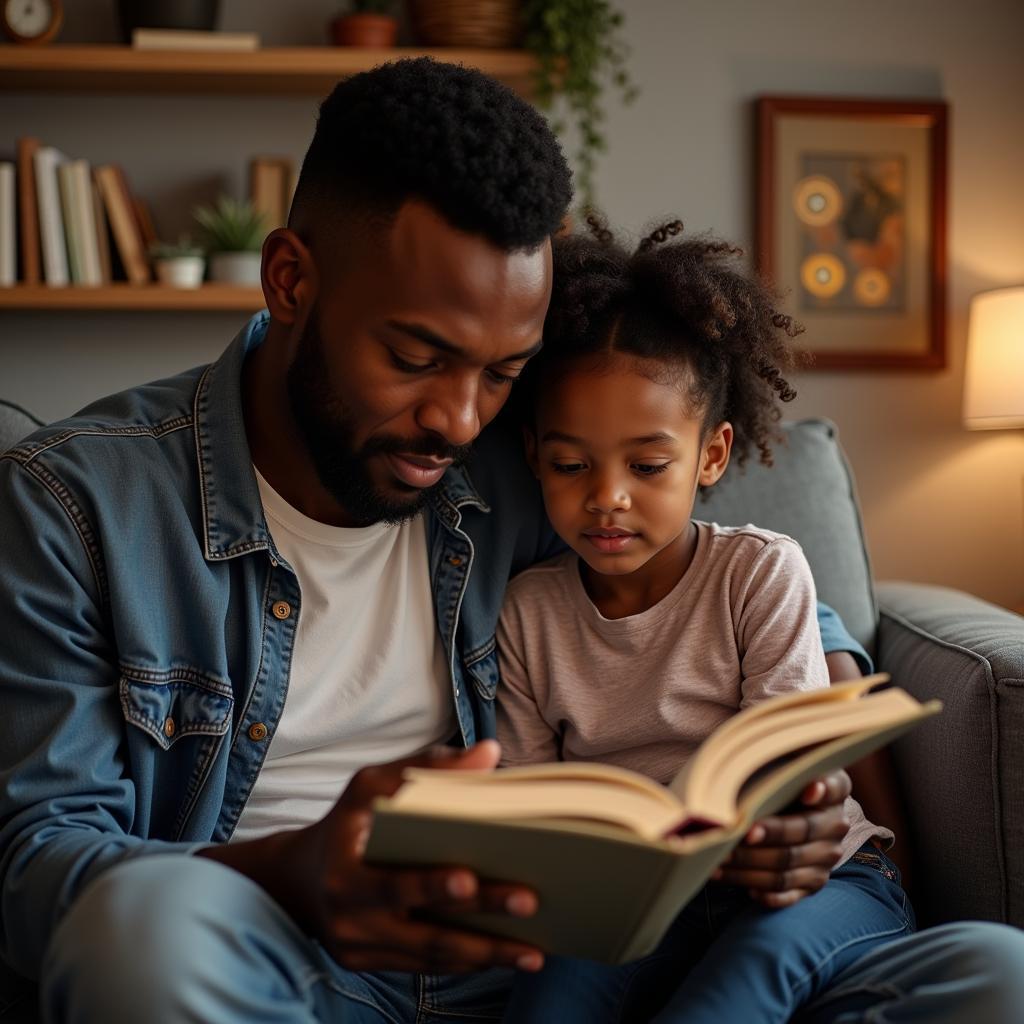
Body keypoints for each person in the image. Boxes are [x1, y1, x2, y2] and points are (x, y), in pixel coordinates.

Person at [0, 57, 1021, 1024]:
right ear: (290, 281)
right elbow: (35, 863)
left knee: (990, 971)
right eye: (416, 356)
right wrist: (295, 874)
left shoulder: (530, 459)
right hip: (287, 964)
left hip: (564, 965)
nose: (457, 418)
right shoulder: (78, 505)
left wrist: (802, 785)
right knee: (145, 922)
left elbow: (723, 573)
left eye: (501, 373)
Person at [495, 218, 910, 1023]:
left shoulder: (757, 570)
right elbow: (530, 800)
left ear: (711, 456)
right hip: (639, 903)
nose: (606, 496)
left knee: (729, 997)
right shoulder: (528, 611)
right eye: (571, 464)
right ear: (534, 454)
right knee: (548, 998)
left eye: (648, 466)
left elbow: (786, 771)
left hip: (810, 884)